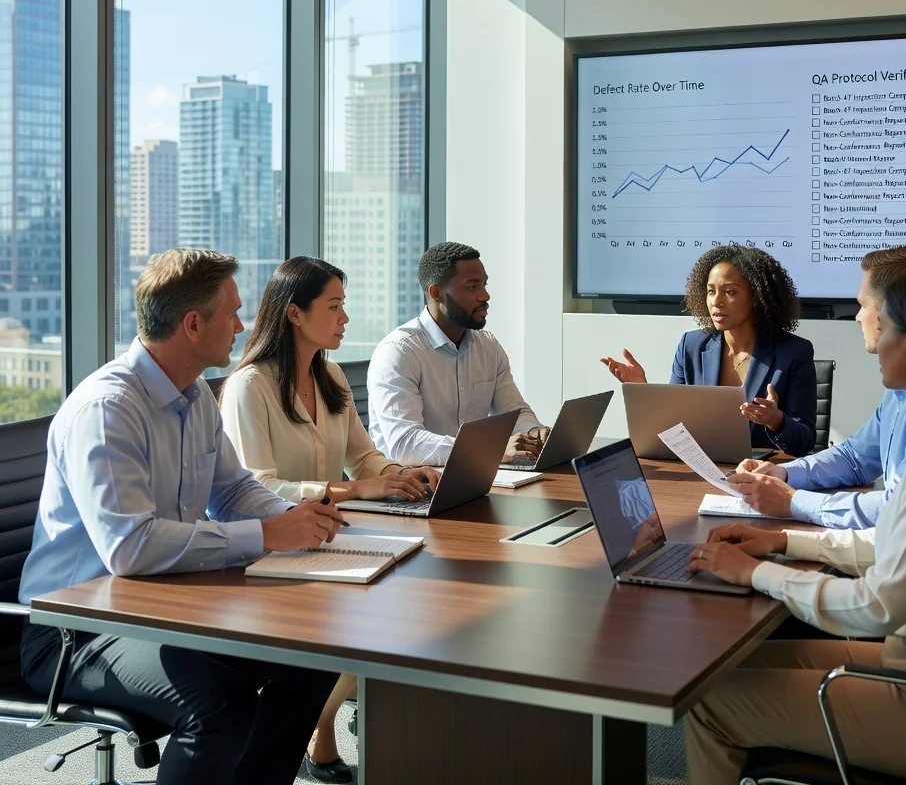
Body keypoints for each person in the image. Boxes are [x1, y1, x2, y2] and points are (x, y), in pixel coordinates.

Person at [682, 264, 906, 784]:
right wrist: (780, 540)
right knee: (725, 673)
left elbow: (877, 604)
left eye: (879, 323)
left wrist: (756, 573)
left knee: (709, 701)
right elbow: (893, 545)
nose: (870, 334)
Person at [18, 249, 346, 785]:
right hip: (76, 631)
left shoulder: (194, 395)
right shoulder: (108, 410)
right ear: (193, 324)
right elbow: (130, 548)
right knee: (221, 705)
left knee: (309, 658)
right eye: (233, 313)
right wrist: (266, 534)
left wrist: (297, 518)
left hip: (163, 606)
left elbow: (234, 488)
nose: (243, 326)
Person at [221, 256, 439, 783]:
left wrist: (404, 474)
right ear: (294, 314)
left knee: (417, 596)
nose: (345, 318)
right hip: (274, 548)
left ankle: (331, 724)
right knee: (379, 615)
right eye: (334, 307)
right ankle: (317, 724)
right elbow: (255, 487)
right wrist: (350, 489)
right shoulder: (250, 386)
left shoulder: (331, 374)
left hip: (329, 538)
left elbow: (364, 458)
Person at [729, 246, 906, 527]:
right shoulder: (901, 390)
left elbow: (897, 509)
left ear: (895, 312)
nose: (857, 317)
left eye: (863, 305)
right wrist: (782, 474)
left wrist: (791, 502)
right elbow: (856, 457)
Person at [601, 245, 816, 456]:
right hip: (701, 469)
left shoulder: (795, 352)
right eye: (711, 291)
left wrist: (776, 421)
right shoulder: (691, 346)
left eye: (730, 292)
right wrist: (643, 391)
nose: (716, 302)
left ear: (757, 297)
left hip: (760, 474)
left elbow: (805, 441)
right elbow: (673, 429)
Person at [368, 241, 547, 466]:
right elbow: (405, 444)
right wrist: (492, 450)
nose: (485, 296)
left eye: (484, 285)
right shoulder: (399, 352)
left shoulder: (488, 347)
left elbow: (515, 412)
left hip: (474, 479)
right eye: (472, 287)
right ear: (437, 293)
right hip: (413, 488)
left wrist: (533, 432)